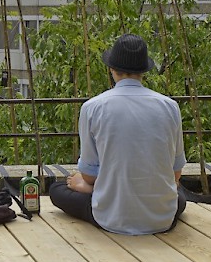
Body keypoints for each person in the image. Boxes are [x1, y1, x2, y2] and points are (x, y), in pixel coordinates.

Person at [48, 33, 187, 235]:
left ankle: (99, 195)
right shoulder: (170, 106)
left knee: (58, 190)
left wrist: (85, 185)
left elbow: (89, 175)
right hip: (162, 217)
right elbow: (175, 174)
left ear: (112, 69)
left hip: (112, 217)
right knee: (179, 195)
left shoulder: (92, 107)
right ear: (144, 71)